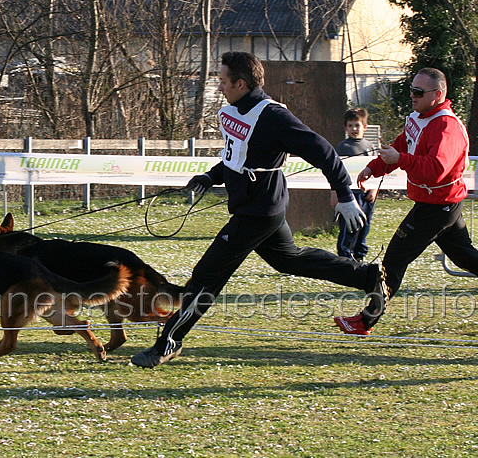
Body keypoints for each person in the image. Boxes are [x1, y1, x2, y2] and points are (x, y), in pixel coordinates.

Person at [131, 51, 387, 368]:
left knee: (205, 277)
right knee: (289, 260)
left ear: (240, 83)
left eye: (223, 81)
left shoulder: (273, 117)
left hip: (258, 212)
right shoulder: (237, 111)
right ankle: (368, 276)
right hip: (260, 208)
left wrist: (345, 195)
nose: (219, 86)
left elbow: (322, 150)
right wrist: (211, 176)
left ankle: (168, 343)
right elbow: (236, 159)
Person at [334, 67, 478, 335]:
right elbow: (402, 144)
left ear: (437, 95)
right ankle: (365, 321)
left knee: (392, 262)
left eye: (418, 92)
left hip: (437, 207)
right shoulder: (419, 116)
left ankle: (365, 321)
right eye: (411, 89)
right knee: (466, 258)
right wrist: (375, 167)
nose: (411, 95)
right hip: (439, 204)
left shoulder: (446, 127)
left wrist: (399, 161)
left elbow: (437, 169)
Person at [330, 108, 378, 261]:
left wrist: (374, 189)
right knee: (349, 226)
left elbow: (377, 170)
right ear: (345, 127)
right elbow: (335, 173)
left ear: (365, 127)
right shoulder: (342, 147)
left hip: (366, 194)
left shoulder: (371, 147)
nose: (354, 129)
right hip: (349, 194)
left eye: (357, 125)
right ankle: (345, 256)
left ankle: (360, 254)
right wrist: (335, 194)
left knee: (365, 225)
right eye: (350, 126)